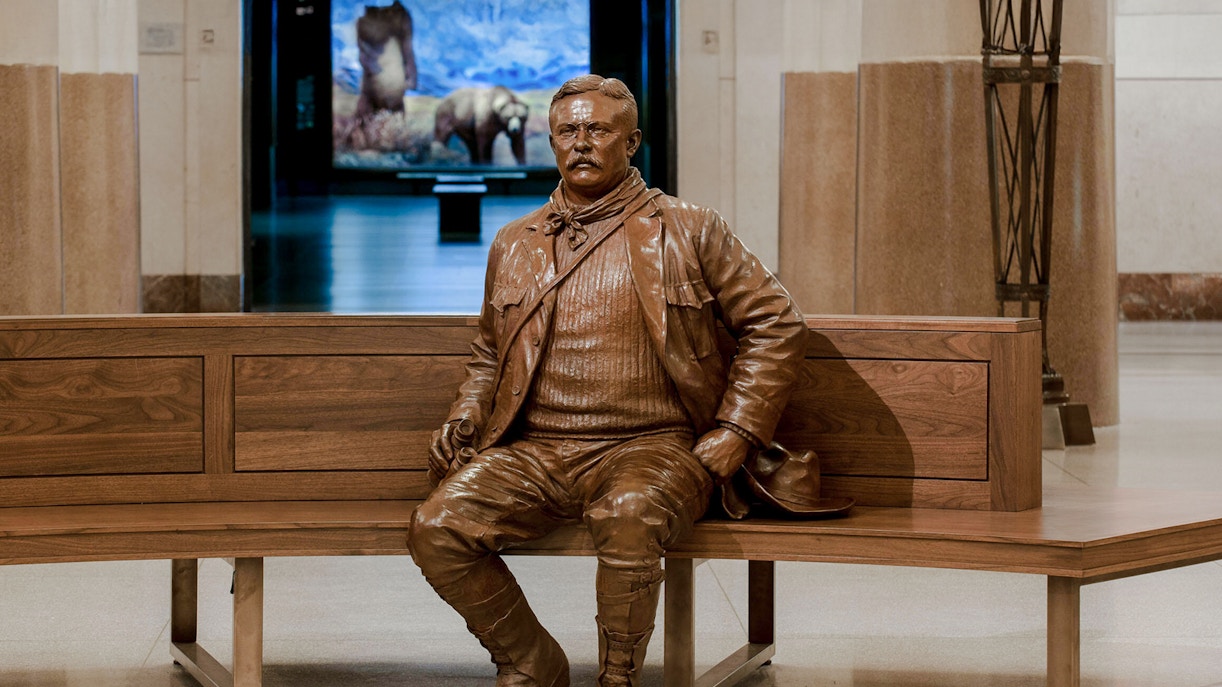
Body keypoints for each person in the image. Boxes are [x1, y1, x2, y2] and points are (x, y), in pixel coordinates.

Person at [409, 74, 808, 687]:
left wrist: (738, 428)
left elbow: (775, 322)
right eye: (568, 130)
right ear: (550, 140)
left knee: (629, 512)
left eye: (598, 129)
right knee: (436, 527)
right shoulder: (515, 242)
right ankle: (529, 662)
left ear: (633, 142)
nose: (582, 143)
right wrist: (466, 415)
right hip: (536, 452)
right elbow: (490, 351)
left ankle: (617, 677)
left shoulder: (690, 228)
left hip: (654, 447)